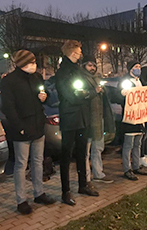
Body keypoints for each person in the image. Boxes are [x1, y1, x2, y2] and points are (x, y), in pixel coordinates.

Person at [1, 50, 56, 215]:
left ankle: (39, 193)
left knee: (38, 161)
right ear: (21, 63)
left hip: (38, 125)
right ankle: (21, 200)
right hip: (22, 129)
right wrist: (19, 127)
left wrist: (44, 97)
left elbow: (46, 97)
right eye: (30, 62)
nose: (34, 65)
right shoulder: (9, 81)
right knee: (21, 164)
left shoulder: (37, 77)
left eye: (34, 61)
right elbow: (8, 108)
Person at [55, 40, 99, 206]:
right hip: (70, 118)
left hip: (82, 117)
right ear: (73, 53)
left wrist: (85, 93)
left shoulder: (78, 70)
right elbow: (70, 95)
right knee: (66, 156)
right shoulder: (63, 72)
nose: (81, 54)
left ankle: (83, 184)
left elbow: (82, 90)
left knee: (82, 153)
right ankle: (65, 191)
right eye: (79, 52)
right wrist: (88, 94)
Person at [81, 55, 115, 184]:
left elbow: (106, 98)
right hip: (88, 120)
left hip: (98, 119)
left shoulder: (98, 78)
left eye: (94, 65)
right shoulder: (81, 78)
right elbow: (80, 95)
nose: (92, 68)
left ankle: (98, 173)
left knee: (98, 148)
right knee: (86, 151)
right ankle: (86, 177)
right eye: (89, 65)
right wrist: (94, 91)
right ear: (84, 65)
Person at [116, 61, 147, 181]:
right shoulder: (125, 81)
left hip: (140, 118)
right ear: (130, 68)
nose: (138, 69)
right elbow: (118, 97)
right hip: (130, 118)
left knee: (138, 144)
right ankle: (127, 169)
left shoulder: (140, 81)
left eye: (139, 67)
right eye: (136, 67)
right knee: (128, 146)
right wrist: (122, 94)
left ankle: (136, 166)